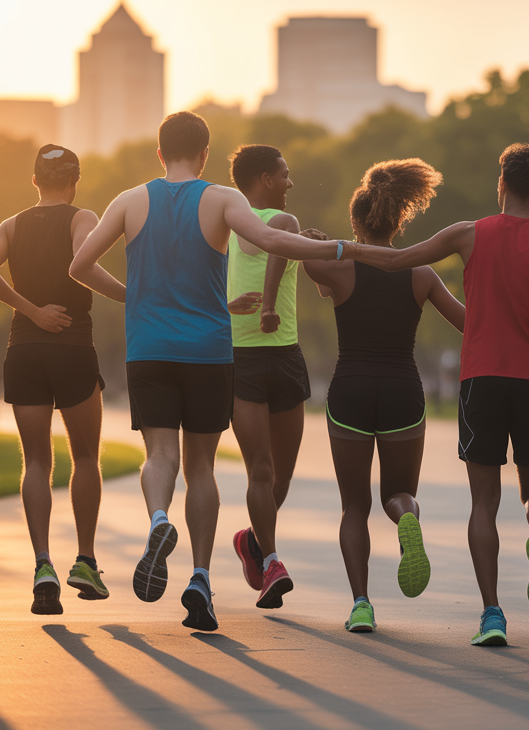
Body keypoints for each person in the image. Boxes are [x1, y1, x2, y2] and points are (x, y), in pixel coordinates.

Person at [68, 111, 345, 632]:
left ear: (159, 152)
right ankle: (199, 578)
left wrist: (134, 297)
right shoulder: (222, 199)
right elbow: (274, 243)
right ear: (205, 153)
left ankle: (157, 519)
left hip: (148, 346)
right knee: (201, 467)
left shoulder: (129, 201)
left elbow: (79, 266)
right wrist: (336, 248)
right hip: (209, 351)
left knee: (160, 454)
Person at [340, 143, 529, 647]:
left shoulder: (468, 234)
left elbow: (400, 262)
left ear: (500, 183)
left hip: (481, 380)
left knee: (484, 500)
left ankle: (492, 614)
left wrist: (348, 248)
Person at [303, 158, 465, 633]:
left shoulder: (340, 267)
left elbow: (305, 267)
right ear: (400, 221)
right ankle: (407, 519)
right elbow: (469, 324)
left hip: (351, 390)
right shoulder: (422, 274)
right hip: (403, 392)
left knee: (354, 505)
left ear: (356, 222)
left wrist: (316, 244)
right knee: (398, 492)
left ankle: (361, 604)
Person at [0, 144, 125, 615]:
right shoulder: (83, 217)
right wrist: (130, 295)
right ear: (74, 181)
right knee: (84, 456)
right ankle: (84, 560)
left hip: (24, 350)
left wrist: (31, 311)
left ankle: (42, 565)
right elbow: (84, 264)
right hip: (73, 348)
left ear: (34, 181)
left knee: (36, 461)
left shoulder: (11, 224)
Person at [225, 145, 313, 609]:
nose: (290, 182)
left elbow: (290, 250)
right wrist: (270, 305)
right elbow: (280, 245)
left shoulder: (282, 228)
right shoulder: (267, 222)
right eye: (284, 174)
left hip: (285, 358)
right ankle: (273, 562)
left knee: (280, 476)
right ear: (263, 179)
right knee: (260, 468)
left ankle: (252, 542)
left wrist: (314, 244)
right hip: (244, 358)